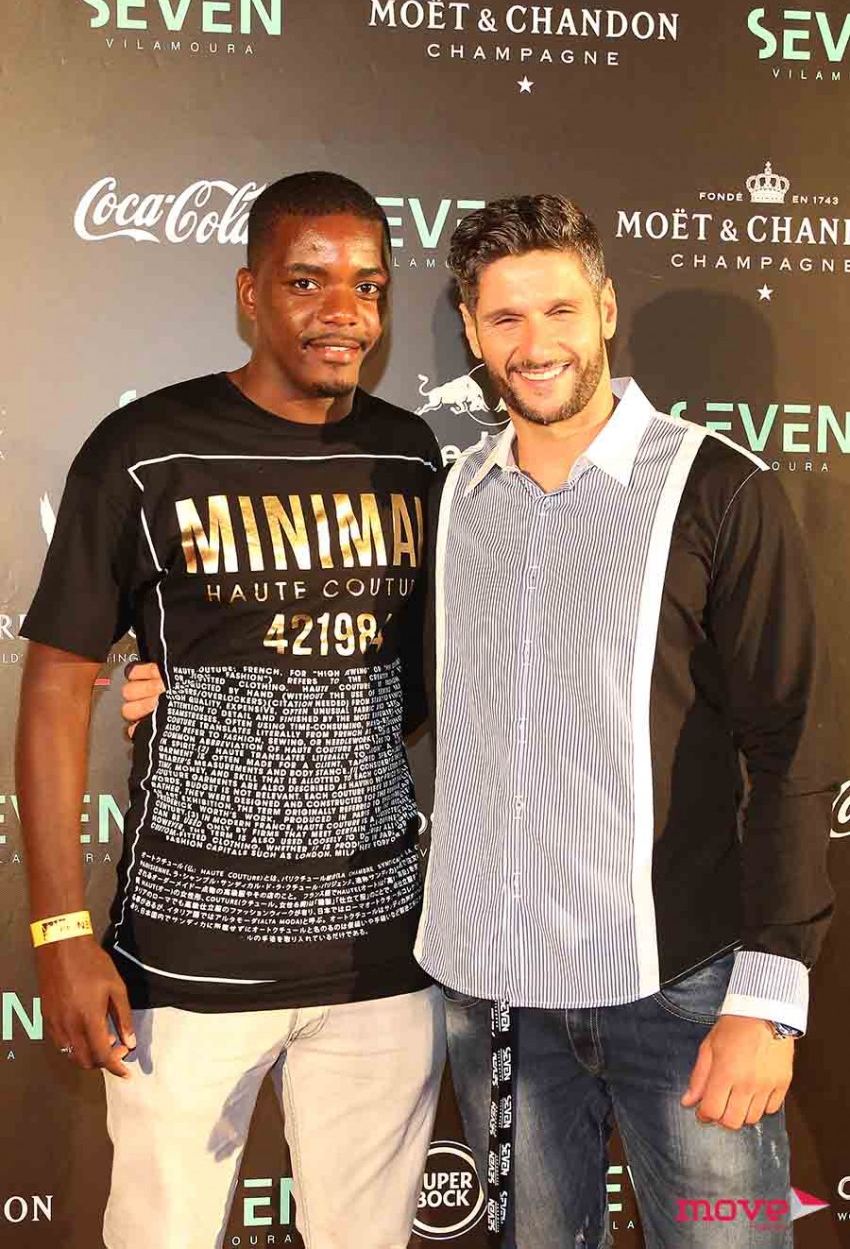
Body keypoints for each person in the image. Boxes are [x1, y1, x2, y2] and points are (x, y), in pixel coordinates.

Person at [17, 171, 445, 1249]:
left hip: (382, 959)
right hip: (185, 962)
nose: (343, 311)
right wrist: (61, 930)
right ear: (250, 293)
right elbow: (58, 683)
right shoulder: (143, 450)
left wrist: (234, 706)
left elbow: (416, 680)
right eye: (307, 281)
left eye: (368, 286)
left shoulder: (411, 455)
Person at [411, 195, 835, 1246]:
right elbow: (399, 691)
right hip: (499, 1004)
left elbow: (791, 744)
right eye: (505, 318)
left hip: (684, 993)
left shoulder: (719, 490)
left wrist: (768, 997)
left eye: (559, 309)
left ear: (604, 310)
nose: (535, 343)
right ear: (471, 330)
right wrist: (187, 684)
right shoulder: (454, 499)